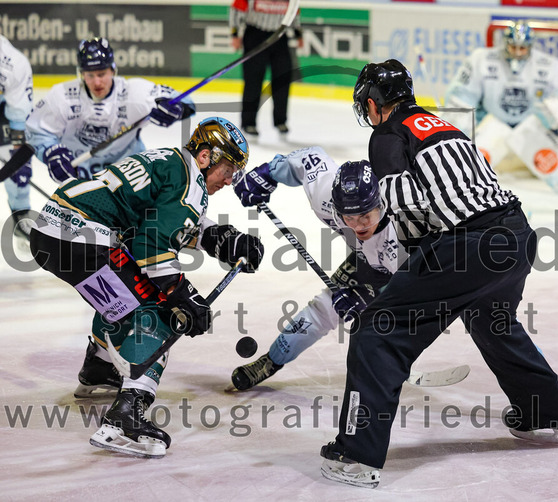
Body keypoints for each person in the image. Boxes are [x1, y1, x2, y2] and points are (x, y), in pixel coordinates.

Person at [319, 59, 558, 488]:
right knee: (492, 321)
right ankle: (546, 416)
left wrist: (390, 283)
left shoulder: (388, 135)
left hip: (469, 246)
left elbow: (407, 211)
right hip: (517, 235)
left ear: (373, 103)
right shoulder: (443, 126)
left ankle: (356, 455)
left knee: (376, 332)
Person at [29, 117, 264, 458]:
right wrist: (183, 296)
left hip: (51, 232)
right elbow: (151, 247)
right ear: (205, 156)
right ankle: (126, 414)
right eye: (227, 169)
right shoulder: (190, 184)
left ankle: (100, 366)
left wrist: (224, 239)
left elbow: (158, 221)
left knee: (124, 293)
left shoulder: (170, 161)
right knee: (161, 312)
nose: (229, 180)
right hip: (86, 238)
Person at [230, 148, 407, 391]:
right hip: (368, 257)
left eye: (366, 215)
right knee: (326, 307)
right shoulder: (325, 195)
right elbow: (309, 159)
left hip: (407, 268)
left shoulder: (403, 234)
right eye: (349, 218)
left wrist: (375, 298)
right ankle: (272, 361)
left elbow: (422, 287)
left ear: (382, 204)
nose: (358, 226)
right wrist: (268, 173)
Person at [443, 20, 558, 217]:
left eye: (522, 48)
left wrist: (556, 117)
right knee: (470, 162)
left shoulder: (548, 66)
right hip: (493, 123)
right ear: (505, 43)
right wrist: (456, 129)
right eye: (513, 46)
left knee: (549, 158)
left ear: (530, 46)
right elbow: (461, 96)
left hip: (529, 127)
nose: (517, 52)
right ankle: (451, 200)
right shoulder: (481, 60)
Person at [26, 37, 195, 185]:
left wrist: (176, 109)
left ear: (113, 70)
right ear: (81, 74)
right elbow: (35, 131)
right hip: (81, 182)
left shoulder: (135, 93)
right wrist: (51, 154)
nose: (97, 82)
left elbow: (186, 102)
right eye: (90, 75)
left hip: (130, 180)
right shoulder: (61, 96)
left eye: (102, 74)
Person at [229, 0, 303, 136]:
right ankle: (249, 123)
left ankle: (280, 121)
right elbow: (237, 8)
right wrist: (235, 34)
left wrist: (298, 34)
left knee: (282, 79)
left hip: (279, 37)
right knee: (253, 81)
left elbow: (294, 10)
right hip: (255, 35)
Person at [0, 34, 34, 241]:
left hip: (3, 108)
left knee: (14, 163)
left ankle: (20, 212)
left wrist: (19, 159)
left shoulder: (13, 63)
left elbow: (19, 118)